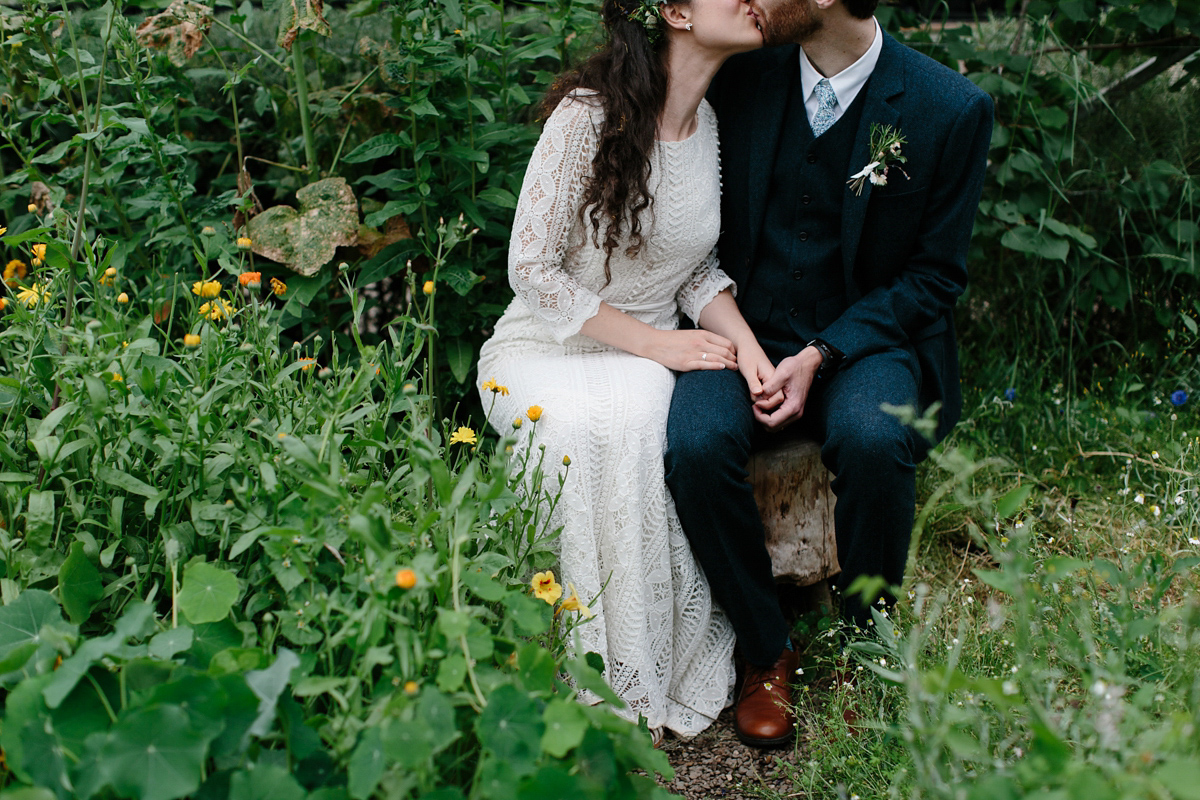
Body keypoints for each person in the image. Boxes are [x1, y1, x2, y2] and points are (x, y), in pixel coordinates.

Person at [664, 0, 994, 747]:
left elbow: (934, 279)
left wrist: (822, 354)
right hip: (742, 327)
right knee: (694, 443)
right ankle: (764, 645)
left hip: (867, 342)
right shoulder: (740, 77)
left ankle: (865, 647)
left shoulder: (949, 106)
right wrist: (748, 343)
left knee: (877, 441)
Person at [476, 0, 768, 740]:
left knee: (639, 411)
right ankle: (565, 665)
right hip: (543, 349)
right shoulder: (586, 115)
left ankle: (644, 668)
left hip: (640, 361)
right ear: (675, 11)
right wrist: (657, 344)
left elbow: (695, 269)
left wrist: (751, 349)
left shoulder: (709, 129)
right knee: (580, 424)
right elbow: (531, 271)